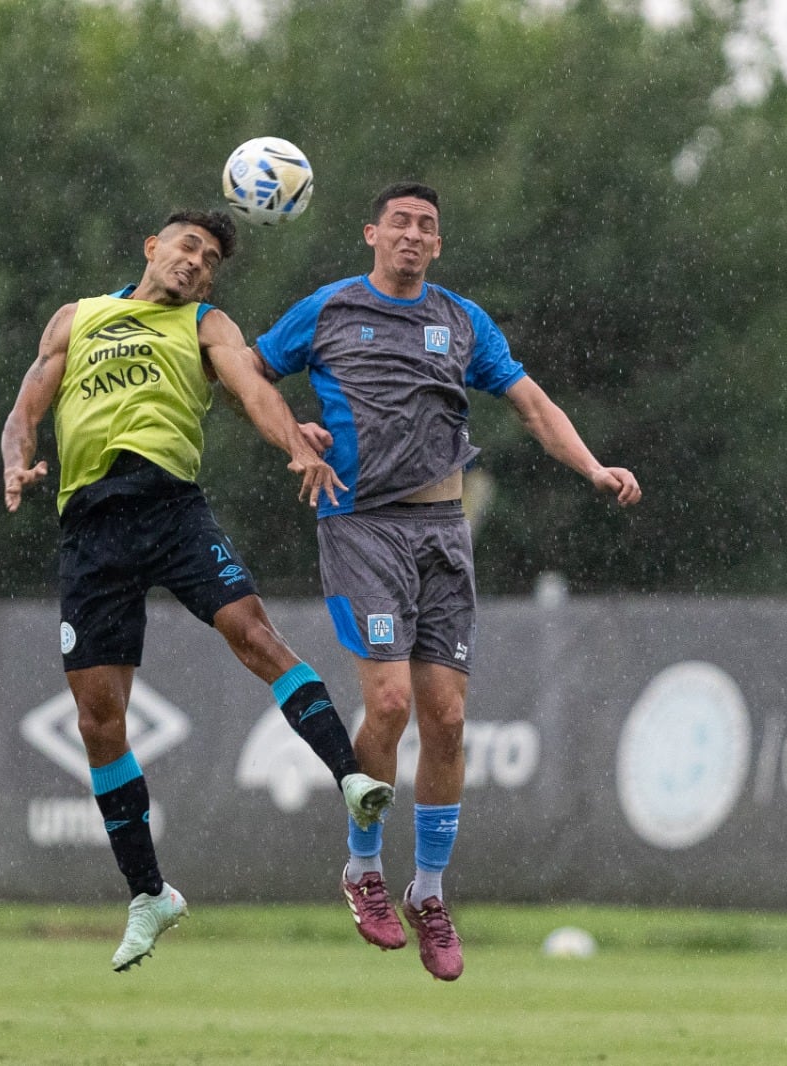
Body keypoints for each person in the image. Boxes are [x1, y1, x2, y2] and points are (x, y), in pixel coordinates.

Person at [251, 182, 641, 981]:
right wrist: (291, 436)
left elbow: (530, 404)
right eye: (399, 222)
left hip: (443, 533)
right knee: (390, 702)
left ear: (437, 245)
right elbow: (244, 372)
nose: (411, 234)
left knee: (449, 720)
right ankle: (364, 867)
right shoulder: (328, 310)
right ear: (371, 233)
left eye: (426, 226)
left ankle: (428, 892)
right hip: (362, 527)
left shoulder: (461, 321)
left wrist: (593, 466)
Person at [1, 209, 393, 973]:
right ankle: (150, 895)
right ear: (152, 247)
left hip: (171, 510)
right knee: (98, 721)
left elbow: (252, 388)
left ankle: (349, 775)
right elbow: (26, 408)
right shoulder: (78, 318)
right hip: (91, 527)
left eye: (211, 259)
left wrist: (294, 444)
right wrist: (16, 461)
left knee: (255, 634)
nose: (197, 263)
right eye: (189, 247)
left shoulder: (206, 325)